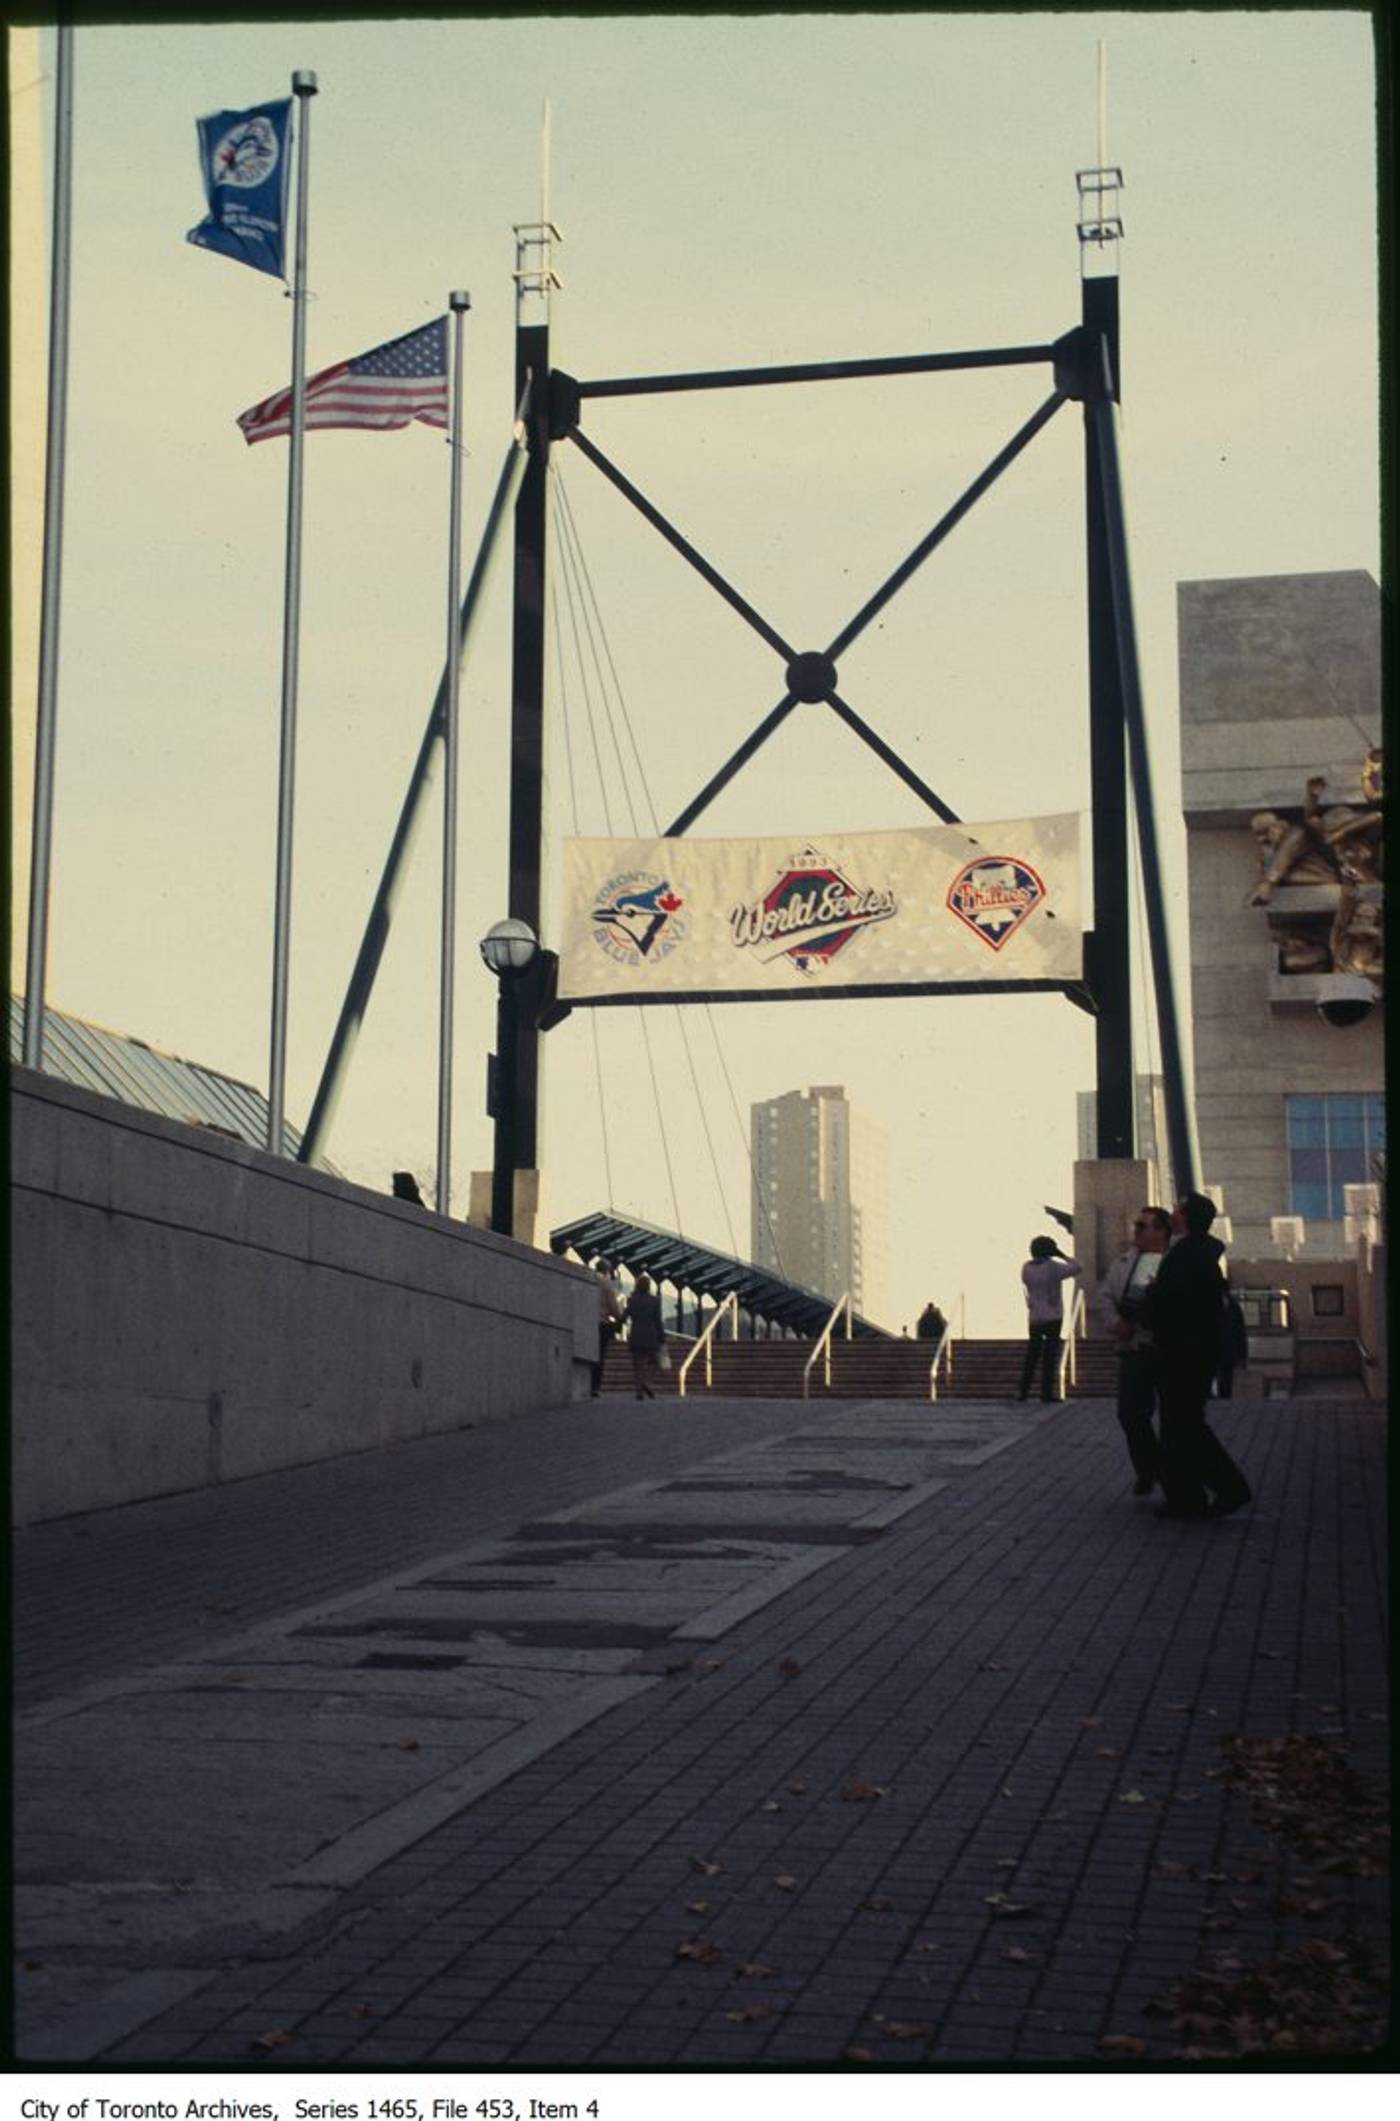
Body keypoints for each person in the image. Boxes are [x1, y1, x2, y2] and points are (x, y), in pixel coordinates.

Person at [1142, 1192, 1251, 1521]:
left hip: (1184, 1355)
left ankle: (1228, 1488)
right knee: (1180, 1426)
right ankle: (1188, 1497)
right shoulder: (1201, 1253)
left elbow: (1179, 1304)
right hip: (1194, 1353)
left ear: (1185, 1217)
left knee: (1185, 1425)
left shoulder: (1187, 1255)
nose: (1172, 1212)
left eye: (1178, 1209)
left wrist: (1152, 1296)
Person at [1096, 1205, 1171, 1495]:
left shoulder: (1172, 1261)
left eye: (1143, 1226)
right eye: (1136, 1225)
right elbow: (1104, 1296)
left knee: (1172, 1418)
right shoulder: (1123, 1262)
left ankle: (1168, 1473)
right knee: (1129, 1413)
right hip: (1134, 1347)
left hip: (1164, 1348)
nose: (1137, 1231)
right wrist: (1117, 1324)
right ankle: (1149, 1469)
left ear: (1161, 1231)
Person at [1018, 1236, 1083, 1403]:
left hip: (1034, 1317)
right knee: (1049, 1356)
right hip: (1053, 1316)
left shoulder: (1026, 1268)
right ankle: (1046, 1393)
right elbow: (1077, 1267)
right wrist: (1061, 1254)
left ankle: (1023, 1391)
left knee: (1032, 1354)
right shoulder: (1053, 1267)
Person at [624, 1271, 667, 1400]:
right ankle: (647, 1382)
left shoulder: (632, 1300)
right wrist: (662, 1337)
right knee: (655, 1362)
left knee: (637, 1365)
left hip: (636, 1335)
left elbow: (625, 1315)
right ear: (649, 1286)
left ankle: (639, 1391)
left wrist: (616, 1323)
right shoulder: (655, 1300)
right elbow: (657, 1320)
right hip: (651, 1335)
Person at [590, 1257, 624, 1398]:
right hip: (601, 1323)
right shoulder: (606, 1283)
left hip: (586, 1321)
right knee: (599, 1355)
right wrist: (619, 1319)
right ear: (607, 1271)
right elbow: (613, 1307)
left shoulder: (589, 1278)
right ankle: (594, 1386)